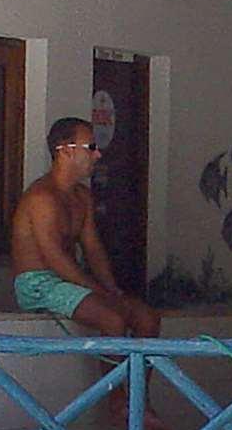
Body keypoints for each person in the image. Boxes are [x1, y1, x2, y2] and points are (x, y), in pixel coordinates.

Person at [11, 116, 162, 338]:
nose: (98, 155)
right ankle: (112, 375)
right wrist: (98, 292)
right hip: (39, 285)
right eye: (91, 148)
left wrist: (111, 289)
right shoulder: (41, 198)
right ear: (65, 151)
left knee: (147, 318)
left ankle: (132, 375)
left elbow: (92, 248)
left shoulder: (83, 196)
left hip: (70, 281)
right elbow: (54, 257)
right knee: (113, 319)